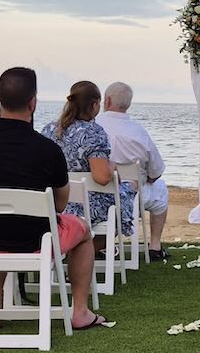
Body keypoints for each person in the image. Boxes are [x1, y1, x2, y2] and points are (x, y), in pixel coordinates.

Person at [0, 65, 104, 330]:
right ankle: (80, 311)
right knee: (83, 231)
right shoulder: (46, 149)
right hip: (36, 243)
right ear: (32, 102)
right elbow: (59, 204)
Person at [44, 80, 134, 252]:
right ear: (94, 105)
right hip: (85, 205)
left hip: (55, 202)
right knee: (126, 196)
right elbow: (101, 178)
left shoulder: (50, 130)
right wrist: (112, 167)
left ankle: (70, 249)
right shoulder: (93, 132)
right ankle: (84, 250)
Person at [100, 81, 170, 262]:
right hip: (131, 198)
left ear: (106, 101)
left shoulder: (91, 127)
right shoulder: (139, 133)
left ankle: (101, 243)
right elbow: (156, 173)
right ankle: (155, 245)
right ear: (128, 104)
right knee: (160, 190)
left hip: (92, 194)